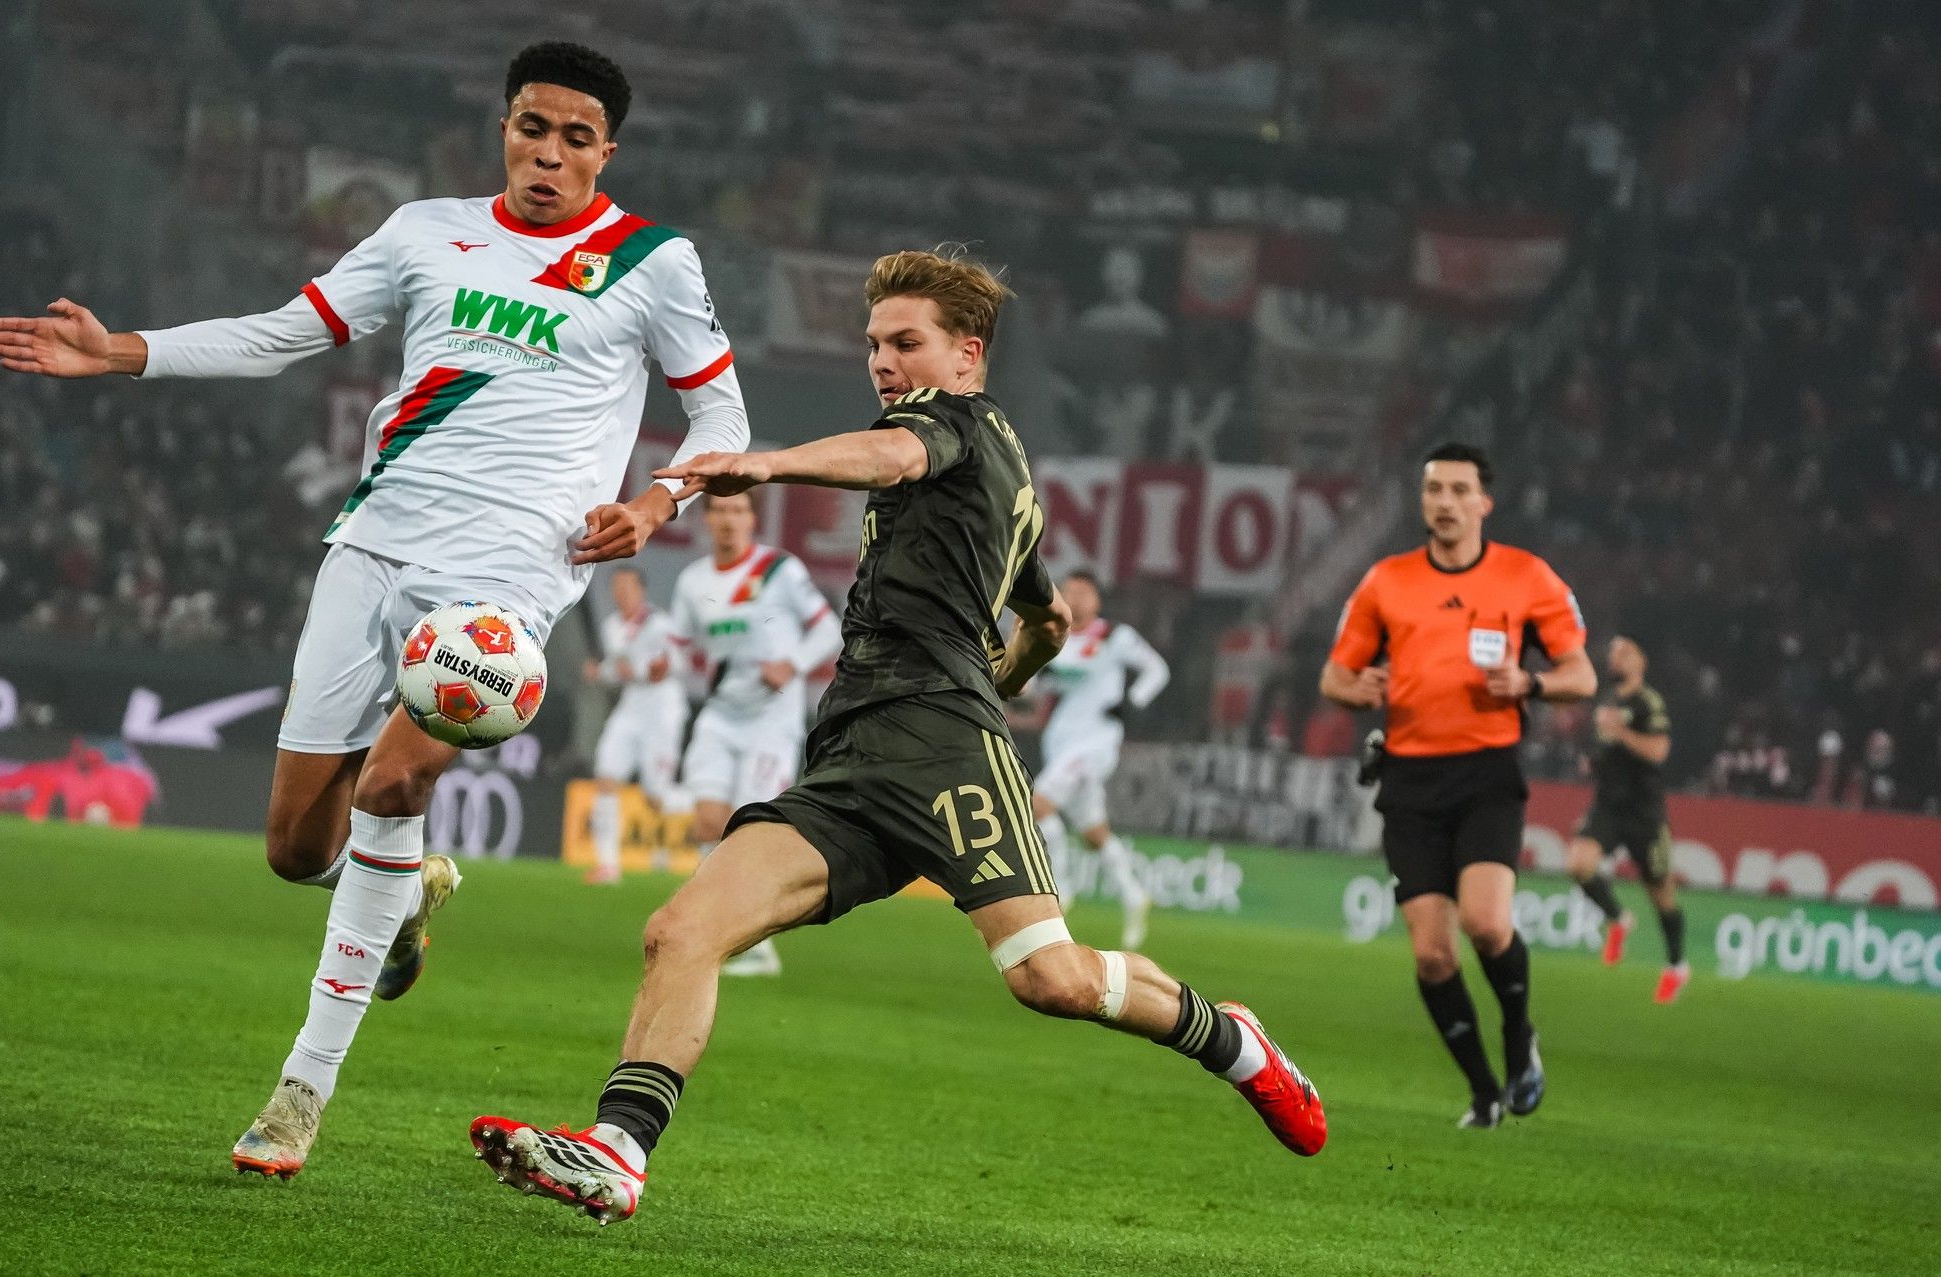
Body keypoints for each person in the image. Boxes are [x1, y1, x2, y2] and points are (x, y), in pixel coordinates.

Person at [0, 41, 747, 1179]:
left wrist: (658, 501)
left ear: (606, 152)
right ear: (504, 129)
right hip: (374, 545)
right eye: (533, 126)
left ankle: (299, 1093)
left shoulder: (651, 261)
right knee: (295, 847)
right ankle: (403, 892)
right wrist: (124, 351)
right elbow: (287, 332)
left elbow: (720, 417)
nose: (549, 151)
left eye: (577, 137)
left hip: (514, 575)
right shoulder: (424, 230)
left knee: (395, 782)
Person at [468, 248, 1326, 1224]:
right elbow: (1044, 620)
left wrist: (767, 461)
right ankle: (618, 1150)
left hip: (939, 741)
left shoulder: (960, 425)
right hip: (853, 754)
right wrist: (1005, 673)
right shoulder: (997, 492)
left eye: (904, 342)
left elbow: (893, 454)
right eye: (873, 343)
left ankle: (1236, 1040)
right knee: (681, 928)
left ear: (966, 355)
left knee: (1050, 977)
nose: (882, 359)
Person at [1321, 444, 1595, 1130]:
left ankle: (1518, 1034)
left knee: (1485, 922)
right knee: (1432, 952)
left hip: (1486, 773)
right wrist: (1358, 689)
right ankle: (1483, 1092)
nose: (1443, 501)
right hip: (1409, 777)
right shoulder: (1387, 581)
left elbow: (1581, 676)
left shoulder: (1525, 576)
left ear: (1484, 503)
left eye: (1457, 489)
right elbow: (1334, 677)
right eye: (1433, 488)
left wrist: (1530, 682)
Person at [666, 491, 842, 976]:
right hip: (720, 714)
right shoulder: (692, 581)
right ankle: (710, 929)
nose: (729, 520)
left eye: (739, 510)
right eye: (720, 510)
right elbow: (681, 648)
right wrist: (679, 666)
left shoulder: (778, 570)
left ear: (752, 520)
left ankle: (757, 945)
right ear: (707, 520)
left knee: (749, 831)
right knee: (706, 822)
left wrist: (795, 664)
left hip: (771, 720)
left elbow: (829, 629)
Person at [1031, 571, 1171, 948]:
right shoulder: (1054, 638)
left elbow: (1157, 669)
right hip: (1062, 739)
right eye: (1068, 591)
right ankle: (1133, 895)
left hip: (1096, 741)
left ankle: (1061, 890)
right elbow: (1037, 684)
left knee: (1037, 803)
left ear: (1097, 600)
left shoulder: (1115, 637)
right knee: (1093, 832)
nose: (1074, 599)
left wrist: (1132, 702)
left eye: (1083, 592)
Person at [1568, 635, 1690, 1003]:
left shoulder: (1647, 703)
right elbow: (1605, 751)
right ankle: (1618, 919)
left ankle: (1676, 966)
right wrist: (1592, 762)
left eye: (1625, 652)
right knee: (1579, 864)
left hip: (1644, 812)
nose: (1616, 658)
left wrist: (1620, 733)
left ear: (1642, 661)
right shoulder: (1607, 702)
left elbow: (1658, 751)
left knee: (1661, 894)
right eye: (1613, 652)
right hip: (1608, 806)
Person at [584, 567, 690, 884]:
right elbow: (618, 671)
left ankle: (703, 805)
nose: (621, 592)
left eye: (627, 586)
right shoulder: (612, 627)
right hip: (630, 709)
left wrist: (650, 669)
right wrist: (600, 673)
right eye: (616, 586)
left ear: (641, 589)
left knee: (655, 797)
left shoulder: (661, 624)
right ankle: (608, 866)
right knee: (605, 776)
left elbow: (679, 663)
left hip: (662, 712)